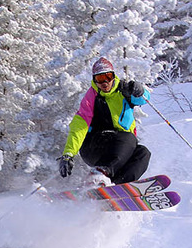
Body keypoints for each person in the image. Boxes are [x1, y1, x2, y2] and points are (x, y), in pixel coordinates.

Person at [58, 57, 151, 185]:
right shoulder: (91, 98)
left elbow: (142, 99)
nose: (104, 82)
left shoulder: (124, 90)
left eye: (108, 76)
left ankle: (116, 186)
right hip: (94, 146)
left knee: (143, 153)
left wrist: (140, 90)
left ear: (113, 76)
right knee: (129, 138)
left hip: (119, 149)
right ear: (95, 80)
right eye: (100, 79)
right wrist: (68, 154)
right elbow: (78, 128)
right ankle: (98, 173)